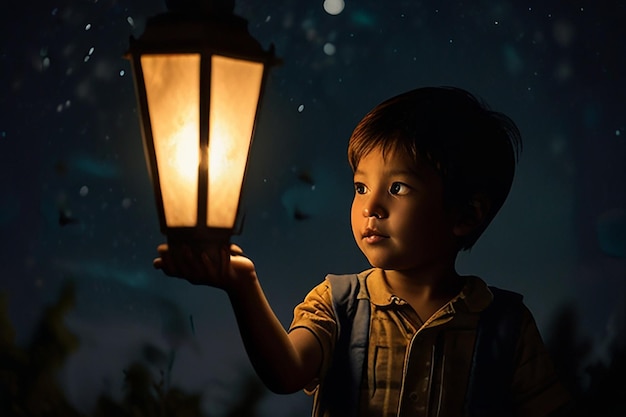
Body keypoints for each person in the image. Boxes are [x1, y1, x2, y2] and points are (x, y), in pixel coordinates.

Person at [154, 87, 572, 416]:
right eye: (361, 187)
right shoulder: (338, 304)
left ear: (466, 214)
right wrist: (242, 286)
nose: (370, 206)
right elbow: (286, 372)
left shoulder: (505, 326)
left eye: (398, 188)